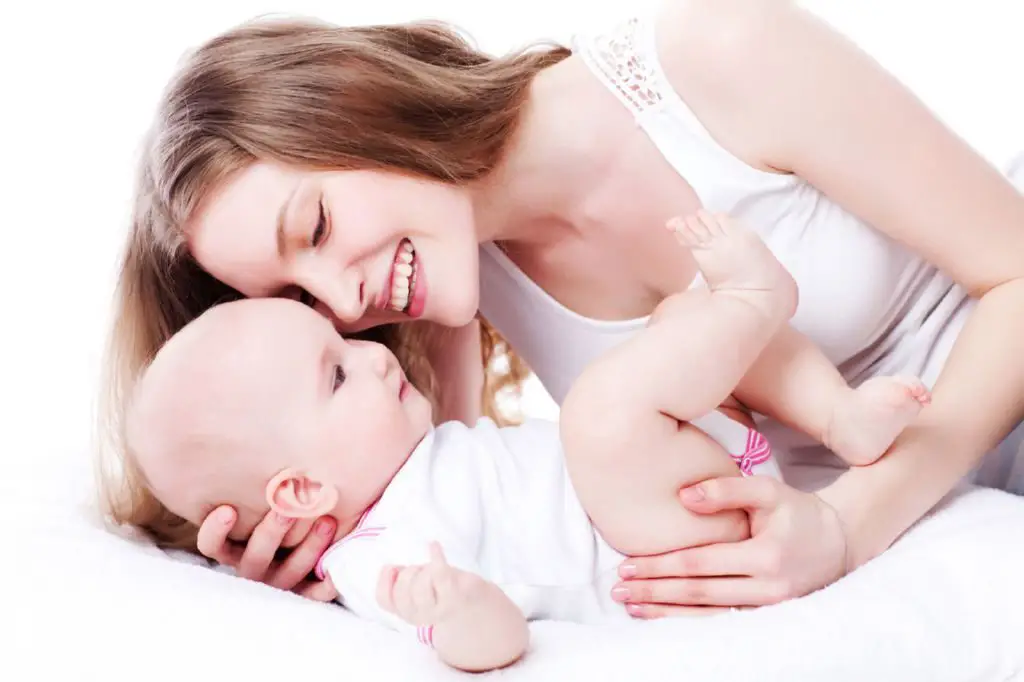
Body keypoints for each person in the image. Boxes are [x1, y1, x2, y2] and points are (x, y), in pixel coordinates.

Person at [101, 1, 1024, 615]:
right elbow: (456, 509)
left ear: (355, 108)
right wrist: (325, 563)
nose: (345, 298)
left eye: (318, 224)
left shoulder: (718, 56)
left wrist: (853, 525)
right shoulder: (442, 291)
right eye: (300, 298)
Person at [121, 217, 928, 671]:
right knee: (602, 411)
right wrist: (458, 612)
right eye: (336, 375)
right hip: (658, 559)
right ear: (299, 492)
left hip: (689, 489)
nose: (372, 352)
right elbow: (490, 641)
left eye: (344, 339)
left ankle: (838, 416)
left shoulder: (423, 453)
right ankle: (758, 299)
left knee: (671, 329)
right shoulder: (380, 557)